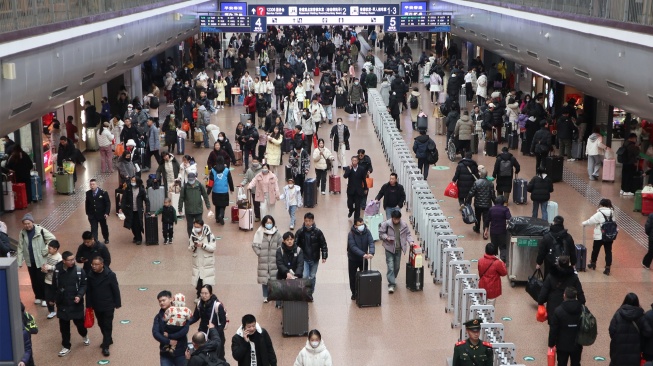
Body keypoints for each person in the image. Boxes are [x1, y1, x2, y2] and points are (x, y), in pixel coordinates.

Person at [53, 251, 89, 356]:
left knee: (80, 324)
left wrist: (79, 295)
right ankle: (66, 346)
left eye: (73, 259)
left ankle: (84, 335)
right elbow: (54, 285)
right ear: (64, 261)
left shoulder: (79, 271)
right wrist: (52, 298)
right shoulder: (57, 271)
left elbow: (83, 284)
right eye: (70, 260)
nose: (73, 261)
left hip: (75, 303)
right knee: (64, 327)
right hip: (62, 303)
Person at [16, 213, 57, 307]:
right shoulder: (22, 233)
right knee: (33, 279)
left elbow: (52, 239)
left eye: (28, 223)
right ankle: (37, 296)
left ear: (32, 222)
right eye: (25, 224)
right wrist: (19, 261)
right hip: (30, 261)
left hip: (40, 260)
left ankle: (44, 298)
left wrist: (45, 250)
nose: (27, 225)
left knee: (41, 279)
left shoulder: (40, 230)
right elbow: (20, 247)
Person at [86, 256, 121, 357]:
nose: (94, 266)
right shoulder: (90, 275)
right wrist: (88, 304)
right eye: (92, 264)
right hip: (97, 305)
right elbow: (88, 291)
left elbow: (115, 289)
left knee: (107, 324)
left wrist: (117, 303)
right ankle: (108, 339)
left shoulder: (110, 275)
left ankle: (105, 346)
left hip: (108, 304)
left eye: (96, 264)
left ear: (102, 264)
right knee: (101, 323)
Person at [537, 256, 585, 324]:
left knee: (553, 329)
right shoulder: (573, 277)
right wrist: (581, 304)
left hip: (553, 308)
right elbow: (580, 294)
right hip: (569, 308)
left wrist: (540, 302)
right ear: (568, 264)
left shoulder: (551, 276)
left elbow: (543, 293)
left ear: (558, 263)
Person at [609, 292, 653, 366]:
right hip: (634, 353)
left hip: (618, 351)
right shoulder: (641, 315)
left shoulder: (618, 314)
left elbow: (611, 331)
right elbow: (648, 332)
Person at [188, 285, 228, 361]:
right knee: (203, 356)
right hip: (203, 334)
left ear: (211, 293)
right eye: (202, 293)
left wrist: (214, 332)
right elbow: (195, 317)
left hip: (216, 335)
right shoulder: (199, 303)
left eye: (206, 293)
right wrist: (185, 323)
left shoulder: (217, 305)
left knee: (218, 357)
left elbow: (222, 323)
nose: (203, 295)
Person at [379, 210, 415, 294]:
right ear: (392, 218)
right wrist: (386, 237)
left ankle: (392, 277)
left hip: (398, 249)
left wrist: (411, 241)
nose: (396, 221)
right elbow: (381, 233)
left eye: (397, 219)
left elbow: (408, 234)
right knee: (390, 266)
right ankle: (391, 284)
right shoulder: (386, 224)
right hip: (389, 248)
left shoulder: (404, 225)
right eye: (395, 219)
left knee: (397, 266)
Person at [548, 286, 583, 366]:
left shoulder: (558, 311)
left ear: (564, 295)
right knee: (576, 363)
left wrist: (551, 344)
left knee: (561, 363)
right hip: (577, 344)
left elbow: (553, 329)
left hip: (562, 345)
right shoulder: (582, 309)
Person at [294, 212, 328, 294]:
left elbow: (323, 244)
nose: (308, 223)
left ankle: (311, 292)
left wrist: (324, 256)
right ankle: (305, 292)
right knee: (305, 275)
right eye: (306, 221)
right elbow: (295, 244)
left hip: (314, 258)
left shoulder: (318, 232)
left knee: (312, 276)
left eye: (309, 221)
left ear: (313, 221)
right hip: (304, 258)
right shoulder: (300, 232)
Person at [153, 290, 189, 366]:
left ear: (171, 299)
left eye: (163, 300)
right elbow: (155, 333)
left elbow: (185, 330)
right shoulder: (159, 317)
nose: (161, 303)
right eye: (160, 301)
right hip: (165, 352)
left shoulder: (182, 313)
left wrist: (170, 336)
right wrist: (168, 341)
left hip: (181, 352)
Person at [252, 215, 282, 303]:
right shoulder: (259, 232)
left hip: (274, 260)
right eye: (267, 223)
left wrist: (277, 254)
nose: (269, 224)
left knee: (273, 278)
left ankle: (272, 294)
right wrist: (260, 254)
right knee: (264, 279)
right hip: (263, 260)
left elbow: (280, 245)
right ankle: (265, 296)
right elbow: (254, 245)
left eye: (270, 222)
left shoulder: (277, 233)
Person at [582, 198, 616, 275]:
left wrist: (583, 223)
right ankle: (607, 267)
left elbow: (591, 221)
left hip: (599, 236)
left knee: (595, 250)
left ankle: (593, 263)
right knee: (608, 252)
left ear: (601, 204)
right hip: (609, 236)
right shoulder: (612, 212)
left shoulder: (599, 213)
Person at [347, 217, 375, 300]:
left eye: (362, 224)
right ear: (355, 226)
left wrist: (371, 252)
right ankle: (354, 292)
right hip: (353, 259)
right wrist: (363, 254)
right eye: (360, 225)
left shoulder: (367, 232)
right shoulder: (351, 234)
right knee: (352, 277)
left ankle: (363, 291)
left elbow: (371, 242)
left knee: (364, 275)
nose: (362, 226)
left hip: (363, 259)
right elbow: (352, 247)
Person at [276, 231, 305, 308]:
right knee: (281, 290)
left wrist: (296, 275)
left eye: (291, 239)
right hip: (282, 275)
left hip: (296, 275)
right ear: (284, 241)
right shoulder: (280, 250)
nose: (289, 241)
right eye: (287, 240)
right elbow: (280, 263)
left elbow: (300, 264)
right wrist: (287, 272)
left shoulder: (299, 250)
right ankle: (279, 304)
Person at [188, 219, 216, 298]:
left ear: (202, 226)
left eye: (198, 227)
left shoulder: (209, 235)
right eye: (195, 226)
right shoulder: (193, 235)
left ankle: (207, 296)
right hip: (197, 262)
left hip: (207, 262)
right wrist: (194, 246)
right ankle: (199, 295)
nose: (196, 228)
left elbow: (213, 248)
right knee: (198, 282)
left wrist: (203, 245)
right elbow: (190, 248)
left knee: (206, 282)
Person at [466, 168, 496, 238]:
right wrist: (496, 203)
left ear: (480, 174)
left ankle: (477, 228)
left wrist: (467, 202)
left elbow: (471, 193)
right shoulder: (490, 184)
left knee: (477, 216)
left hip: (478, 204)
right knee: (486, 218)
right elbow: (492, 195)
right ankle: (485, 231)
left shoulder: (477, 182)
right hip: (487, 205)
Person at [179, 172, 211, 236]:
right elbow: (181, 198)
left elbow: (205, 196)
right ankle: (191, 239)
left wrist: (208, 205)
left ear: (195, 178)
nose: (191, 181)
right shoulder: (185, 187)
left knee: (199, 225)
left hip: (198, 210)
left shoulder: (199, 185)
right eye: (189, 180)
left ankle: (199, 237)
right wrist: (180, 208)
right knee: (190, 226)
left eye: (192, 179)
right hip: (189, 211)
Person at [119, 177, 149, 245]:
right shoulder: (128, 189)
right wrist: (121, 208)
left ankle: (139, 238)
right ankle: (136, 236)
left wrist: (147, 210)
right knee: (131, 224)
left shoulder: (141, 190)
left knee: (137, 225)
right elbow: (124, 199)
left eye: (134, 181)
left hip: (138, 211)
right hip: (130, 210)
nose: (132, 182)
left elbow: (146, 200)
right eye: (132, 180)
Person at [208, 157, 234, 225]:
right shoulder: (226, 170)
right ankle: (221, 216)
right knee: (223, 205)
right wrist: (231, 189)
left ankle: (217, 218)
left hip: (215, 191)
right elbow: (230, 180)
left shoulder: (213, 170)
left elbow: (211, 182)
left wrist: (208, 191)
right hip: (224, 191)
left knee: (217, 204)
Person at [486, 196, 511, 264]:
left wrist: (486, 230)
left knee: (493, 247)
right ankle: (503, 261)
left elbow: (487, 220)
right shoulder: (505, 209)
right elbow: (509, 219)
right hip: (502, 231)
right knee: (503, 247)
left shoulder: (491, 209)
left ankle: (493, 261)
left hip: (493, 231)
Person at [85, 179, 111, 244]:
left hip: (101, 214)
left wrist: (107, 213)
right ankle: (95, 241)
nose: (92, 186)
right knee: (94, 228)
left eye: (93, 184)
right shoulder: (88, 193)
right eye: (91, 184)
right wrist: (88, 213)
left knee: (104, 227)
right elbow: (87, 203)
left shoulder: (103, 192)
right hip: (92, 215)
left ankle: (106, 238)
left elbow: (107, 203)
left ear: (97, 185)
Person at [42, 240, 62, 319]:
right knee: (48, 297)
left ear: (55, 249)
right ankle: (51, 311)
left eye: (50, 248)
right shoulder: (49, 255)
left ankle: (59, 309)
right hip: (47, 279)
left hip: (54, 281)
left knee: (55, 297)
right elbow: (46, 264)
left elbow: (59, 268)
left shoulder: (59, 258)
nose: (48, 250)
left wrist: (50, 267)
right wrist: (44, 268)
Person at [343, 156, 368, 220]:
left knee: (357, 206)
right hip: (350, 190)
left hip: (358, 190)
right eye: (353, 160)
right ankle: (351, 210)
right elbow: (345, 176)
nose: (354, 162)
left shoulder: (361, 169)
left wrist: (365, 188)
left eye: (355, 160)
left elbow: (364, 180)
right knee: (349, 204)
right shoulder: (348, 168)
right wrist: (349, 169)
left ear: (358, 161)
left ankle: (356, 220)